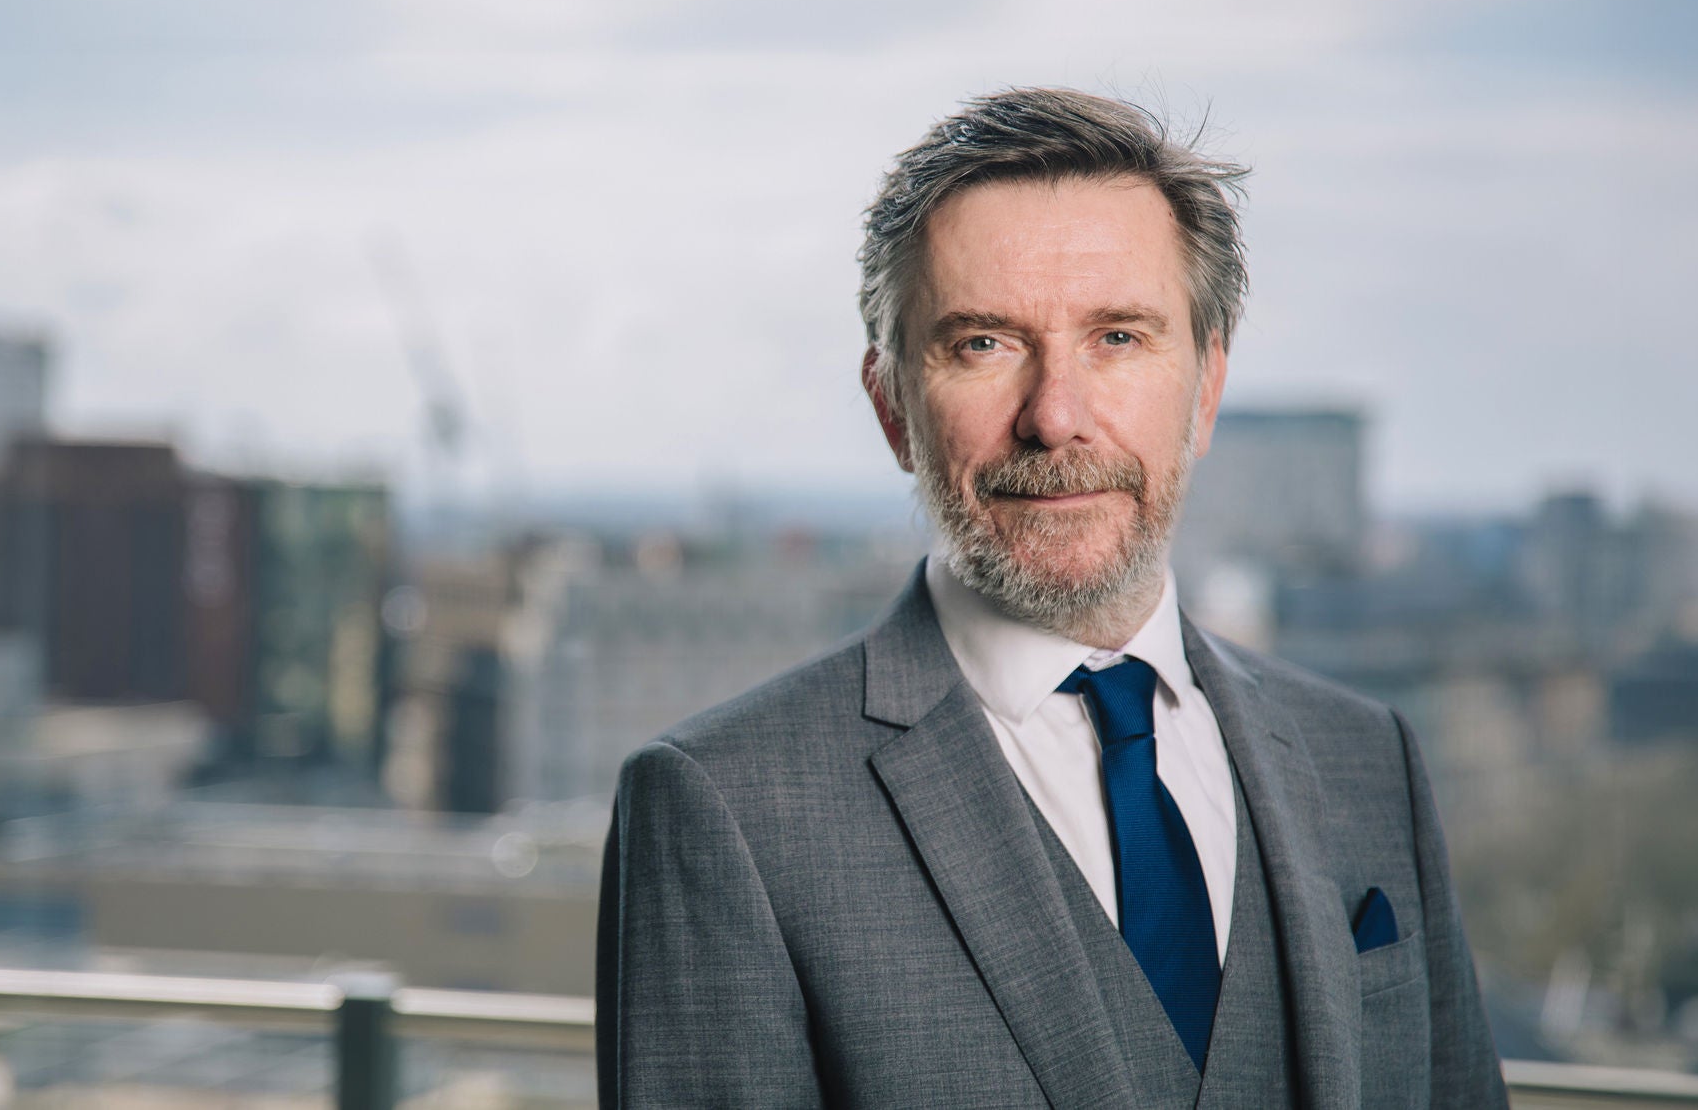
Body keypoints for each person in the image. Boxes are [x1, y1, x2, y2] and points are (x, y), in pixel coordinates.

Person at [597, 88, 1509, 1108]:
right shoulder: (724, 806)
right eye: (982, 343)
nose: (1055, 416)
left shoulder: (1368, 760)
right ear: (892, 406)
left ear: (1205, 389)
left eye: (1117, 337)